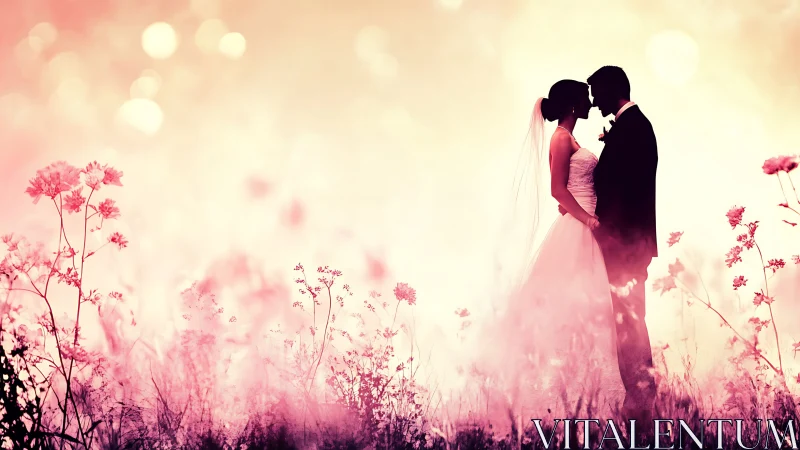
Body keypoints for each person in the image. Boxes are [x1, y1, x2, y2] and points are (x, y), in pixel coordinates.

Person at [477, 78, 626, 438]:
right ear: (573, 105)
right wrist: (587, 217)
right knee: (573, 307)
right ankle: (558, 402)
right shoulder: (561, 139)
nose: (591, 103)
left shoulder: (571, 138)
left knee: (591, 311)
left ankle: (587, 399)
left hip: (583, 227)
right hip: (578, 230)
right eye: (586, 98)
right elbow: (557, 189)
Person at [562, 65, 659, 436]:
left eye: (595, 91)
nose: (592, 100)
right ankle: (638, 397)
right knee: (624, 320)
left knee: (629, 319)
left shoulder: (634, 127)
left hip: (626, 246)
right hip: (624, 244)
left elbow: (628, 192)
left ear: (610, 89)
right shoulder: (629, 127)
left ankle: (641, 399)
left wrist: (607, 234)